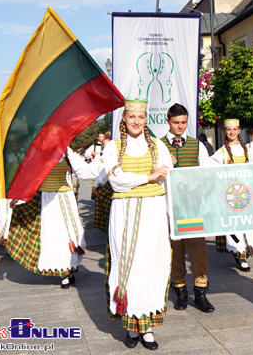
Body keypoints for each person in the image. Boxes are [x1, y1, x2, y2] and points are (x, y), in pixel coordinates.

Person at [102, 98, 173, 350]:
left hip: (153, 213)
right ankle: (132, 327)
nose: (136, 122)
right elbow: (117, 181)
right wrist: (150, 176)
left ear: (146, 120)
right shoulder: (113, 147)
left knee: (152, 263)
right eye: (132, 117)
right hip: (124, 212)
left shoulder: (157, 145)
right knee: (129, 266)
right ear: (124, 118)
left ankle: (148, 327)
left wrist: (171, 216)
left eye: (141, 117)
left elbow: (169, 178)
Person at [6, 145, 94, 289]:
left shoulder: (66, 151)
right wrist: (19, 196)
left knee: (71, 234)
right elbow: (30, 178)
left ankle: (69, 269)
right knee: (54, 232)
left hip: (64, 197)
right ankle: (64, 273)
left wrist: (100, 163)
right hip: (47, 199)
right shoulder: (38, 152)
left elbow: (83, 171)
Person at [160, 103, 215, 313]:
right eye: (176, 123)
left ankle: (200, 291)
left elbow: (207, 173)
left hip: (193, 206)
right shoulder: (158, 146)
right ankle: (180, 290)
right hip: (168, 206)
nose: (180, 126)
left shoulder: (197, 145)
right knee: (176, 249)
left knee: (199, 249)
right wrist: (166, 166)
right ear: (168, 121)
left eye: (183, 122)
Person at [210, 119, 253, 272]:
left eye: (235, 129)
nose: (232, 132)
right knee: (235, 225)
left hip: (246, 194)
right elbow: (211, 169)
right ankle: (240, 254)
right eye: (229, 130)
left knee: (249, 223)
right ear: (225, 131)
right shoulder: (222, 152)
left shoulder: (247, 150)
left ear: (239, 131)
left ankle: (247, 248)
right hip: (231, 195)